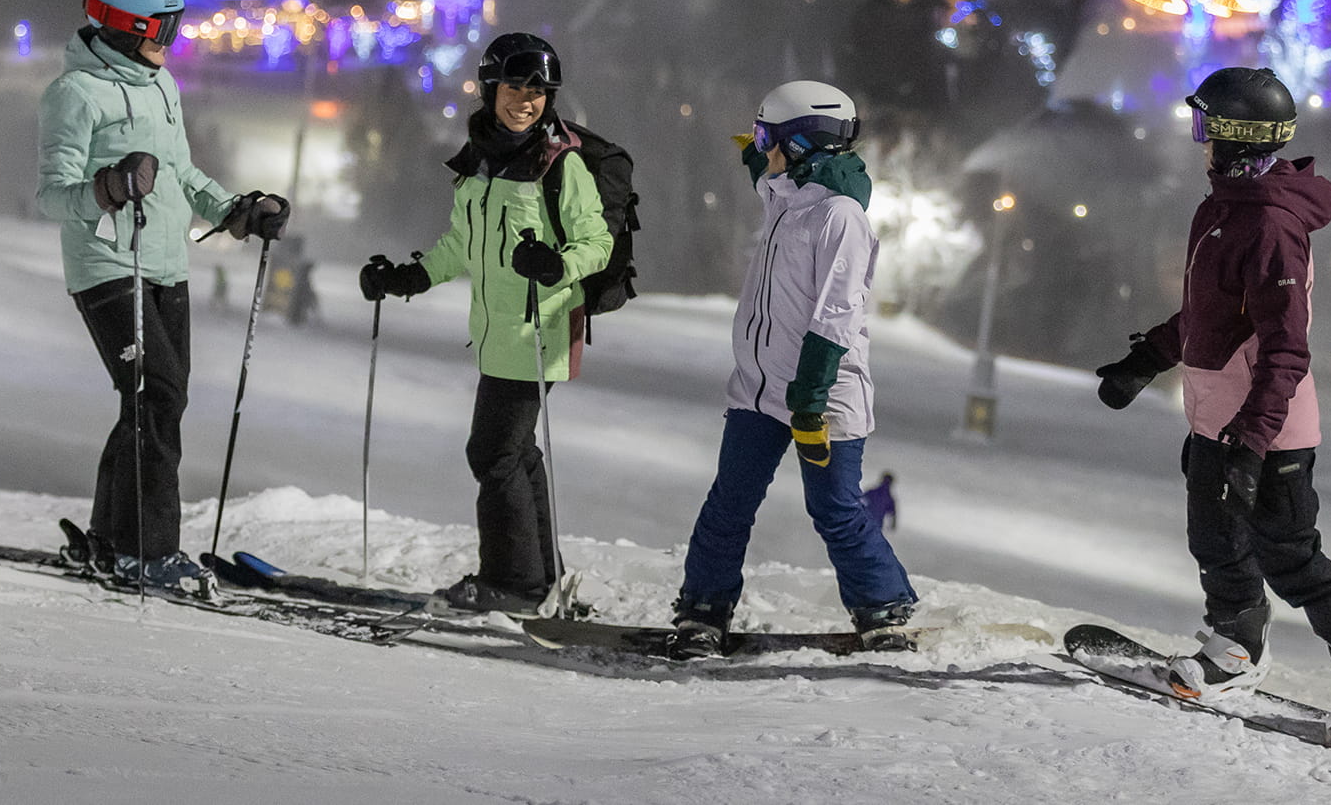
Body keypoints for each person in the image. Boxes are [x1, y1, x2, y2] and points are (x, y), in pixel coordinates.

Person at [1093, 66, 1331, 753]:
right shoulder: (1223, 208)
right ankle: (1235, 646)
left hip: (1269, 430)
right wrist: (1145, 359)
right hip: (1216, 419)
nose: (1197, 137)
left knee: (1291, 557)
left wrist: (1253, 441)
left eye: (1206, 125)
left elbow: (1285, 349)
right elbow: (1211, 316)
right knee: (1214, 542)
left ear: (1236, 137)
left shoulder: (1269, 225)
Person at [37, 0, 290, 590]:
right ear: (122, 24)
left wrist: (235, 210)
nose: (170, 39)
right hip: (106, 265)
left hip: (165, 264)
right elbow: (52, 195)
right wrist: (108, 187)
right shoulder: (75, 94)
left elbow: (180, 172)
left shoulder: (161, 85)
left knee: (150, 402)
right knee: (158, 396)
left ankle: (107, 540)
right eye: (159, 26)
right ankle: (147, 551)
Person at [665, 80, 918, 658]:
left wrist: (809, 400)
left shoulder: (839, 217)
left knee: (834, 507)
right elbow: (760, 163)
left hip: (821, 395)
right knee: (729, 501)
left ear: (804, 143)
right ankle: (703, 609)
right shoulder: (784, 194)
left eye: (767, 137)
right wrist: (754, 141)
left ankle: (882, 609)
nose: (758, 147)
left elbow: (835, 315)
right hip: (758, 389)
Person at [359, 33, 611, 614]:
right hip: (496, 331)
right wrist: (411, 277)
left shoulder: (559, 164)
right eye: (516, 87)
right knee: (515, 451)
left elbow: (596, 242)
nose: (526, 100)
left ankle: (512, 582)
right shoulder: (480, 160)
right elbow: (462, 244)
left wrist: (556, 264)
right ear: (491, 86)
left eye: (539, 91)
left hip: (539, 327)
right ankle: (539, 575)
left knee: (492, 451)